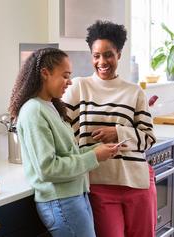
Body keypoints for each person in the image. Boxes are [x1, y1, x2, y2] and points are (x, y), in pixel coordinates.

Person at [9, 47, 119, 237]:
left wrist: (97, 150)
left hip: (73, 196)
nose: (69, 82)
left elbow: (66, 154)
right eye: (65, 75)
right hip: (60, 202)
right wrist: (94, 156)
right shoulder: (33, 111)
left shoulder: (50, 106)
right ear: (45, 73)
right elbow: (48, 168)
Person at [63, 21, 157, 237]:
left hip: (137, 182)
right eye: (96, 55)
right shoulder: (78, 87)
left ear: (119, 54)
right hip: (99, 184)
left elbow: (149, 138)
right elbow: (61, 128)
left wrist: (119, 132)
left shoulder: (135, 92)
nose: (102, 62)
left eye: (108, 55)